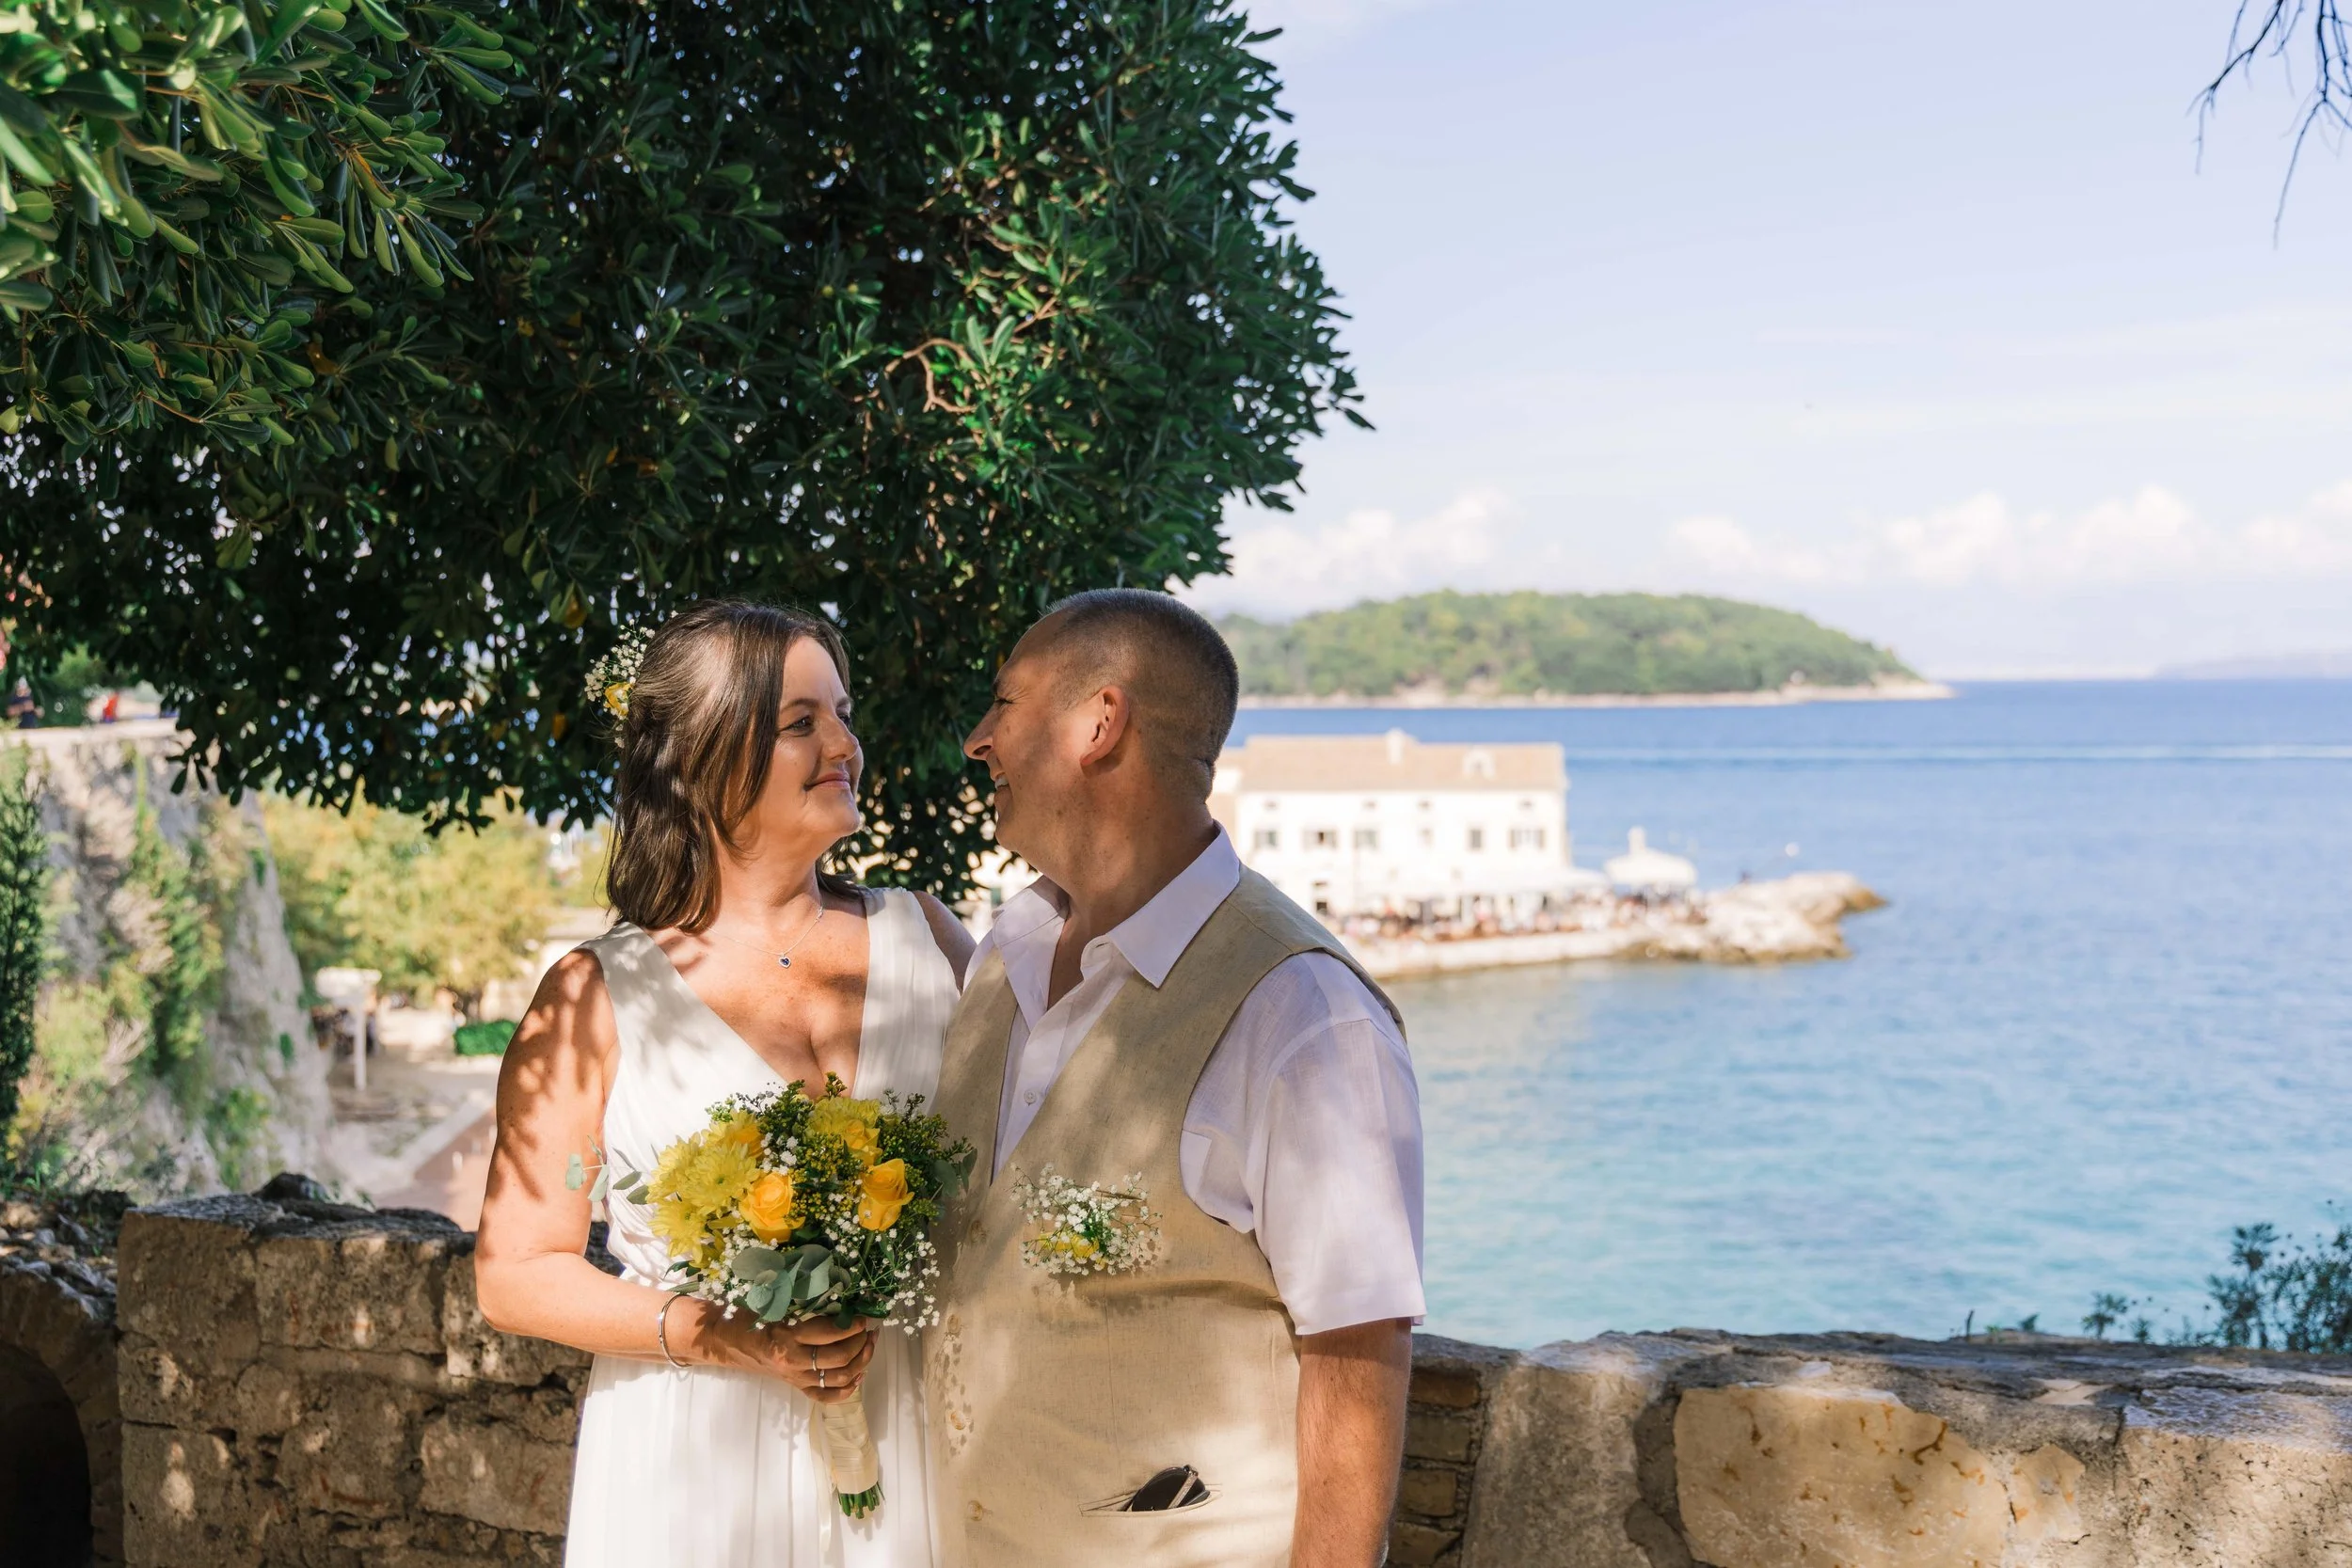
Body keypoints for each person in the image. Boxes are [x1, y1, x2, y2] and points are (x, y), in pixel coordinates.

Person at [926, 590, 1423, 1568]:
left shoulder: (1301, 1012)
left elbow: (1358, 1361)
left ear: (1097, 721)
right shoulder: (1003, 954)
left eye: (1006, 703)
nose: (979, 739)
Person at [475, 600, 973, 1567]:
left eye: (842, 712)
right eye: (801, 723)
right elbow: (514, 1271)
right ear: (701, 760)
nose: (844, 744)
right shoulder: (592, 997)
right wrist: (723, 1332)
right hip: (691, 1468)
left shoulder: (933, 940)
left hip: (916, 1429)